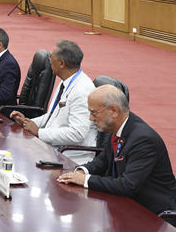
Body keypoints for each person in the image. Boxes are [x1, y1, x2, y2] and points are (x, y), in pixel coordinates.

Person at [58, 85, 176, 224]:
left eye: (94, 112)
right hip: (127, 206)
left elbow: (127, 185)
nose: (90, 118)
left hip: (153, 216)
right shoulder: (121, 129)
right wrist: (81, 171)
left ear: (113, 111)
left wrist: (85, 180)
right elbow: (103, 160)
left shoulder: (143, 140)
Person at [10, 40, 96, 165]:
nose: (49, 60)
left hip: (71, 156)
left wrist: (39, 132)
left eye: (52, 58)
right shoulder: (65, 81)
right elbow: (53, 115)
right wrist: (28, 122)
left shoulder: (82, 91)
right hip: (55, 147)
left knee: (20, 161)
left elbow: (77, 134)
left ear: (62, 63)